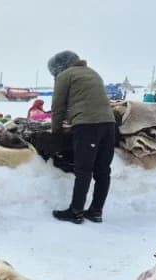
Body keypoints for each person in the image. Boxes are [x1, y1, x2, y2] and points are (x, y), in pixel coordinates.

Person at [48, 50, 116, 224]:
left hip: (88, 126)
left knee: (83, 170)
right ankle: (96, 211)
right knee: (103, 170)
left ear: (59, 68)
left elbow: (58, 106)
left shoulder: (65, 75)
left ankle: (76, 211)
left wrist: (56, 131)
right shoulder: (92, 73)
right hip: (109, 125)